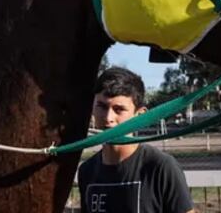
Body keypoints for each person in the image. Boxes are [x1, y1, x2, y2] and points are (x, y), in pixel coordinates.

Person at [77, 68, 195, 213]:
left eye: (119, 109)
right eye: (101, 106)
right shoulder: (86, 171)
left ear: (140, 116)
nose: (108, 118)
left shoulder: (161, 167)